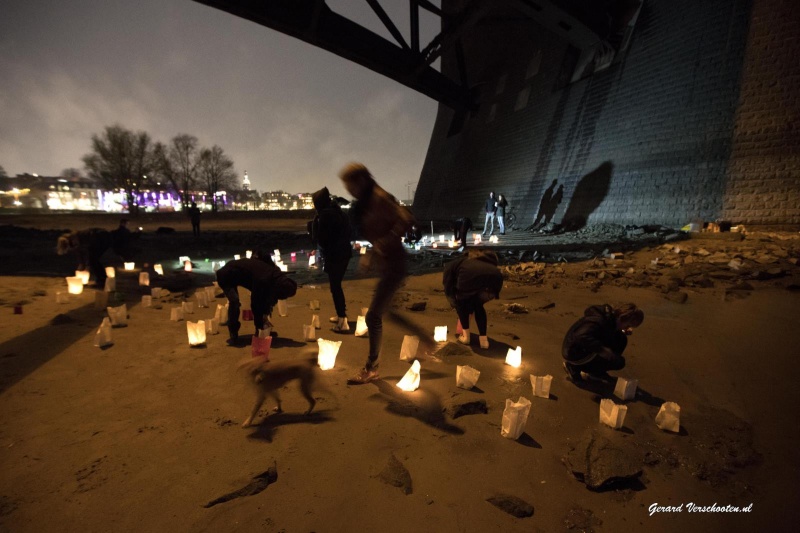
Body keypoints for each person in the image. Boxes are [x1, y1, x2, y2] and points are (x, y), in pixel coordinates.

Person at [339, 162, 415, 384]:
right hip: (388, 263)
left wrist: (379, 245)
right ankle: (427, 343)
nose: (348, 191)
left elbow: (406, 219)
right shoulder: (366, 201)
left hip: (395, 264)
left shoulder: (379, 197)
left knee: (374, 316)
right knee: (384, 313)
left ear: (360, 180)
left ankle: (372, 368)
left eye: (349, 186)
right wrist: (372, 253)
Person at [215, 255, 298, 346]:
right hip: (225, 276)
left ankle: (261, 328)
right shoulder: (263, 279)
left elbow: (269, 296)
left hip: (240, 273)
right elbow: (255, 303)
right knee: (234, 301)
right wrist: (259, 327)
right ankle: (233, 331)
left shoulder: (276, 275)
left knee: (264, 299)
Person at [562, 303, 644, 382]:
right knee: (617, 361)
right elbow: (580, 337)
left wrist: (621, 330)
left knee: (621, 339)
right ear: (621, 318)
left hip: (581, 346)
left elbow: (604, 331)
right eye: (627, 325)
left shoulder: (610, 318)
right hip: (573, 351)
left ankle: (596, 372)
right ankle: (574, 367)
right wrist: (602, 350)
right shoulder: (599, 320)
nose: (628, 328)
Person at [311, 186, 353, 332]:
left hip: (335, 255)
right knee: (337, 285)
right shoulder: (338, 212)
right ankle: (340, 314)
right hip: (344, 253)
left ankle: (342, 321)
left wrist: (314, 224)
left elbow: (320, 239)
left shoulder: (325, 215)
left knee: (335, 287)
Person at [442, 250, 503, 350]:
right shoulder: (479, 261)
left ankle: (466, 337)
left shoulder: (452, 265)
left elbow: (447, 285)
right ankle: (484, 341)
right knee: (478, 305)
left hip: (469, 278)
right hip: (496, 279)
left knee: (461, 305)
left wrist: (454, 302)